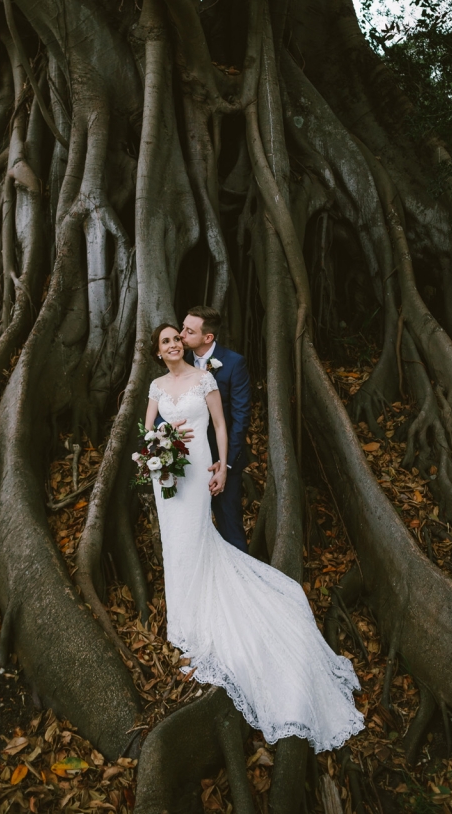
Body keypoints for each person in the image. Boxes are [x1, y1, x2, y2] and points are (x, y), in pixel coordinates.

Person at [142, 323, 364, 753]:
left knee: (195, 538)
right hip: (168, 472)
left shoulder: (204, 378)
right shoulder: (154, 385)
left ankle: (206, 618)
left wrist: (223, 466)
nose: (172, 344)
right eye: (165, 341)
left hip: (200, 466)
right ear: (157, 352)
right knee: (175, 544)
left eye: (176, 338)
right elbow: (147, 432)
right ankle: (183, 621)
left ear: (183, 344)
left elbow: (221, 426)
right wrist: (159, 446)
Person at [179, 306, 250, 552]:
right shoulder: (179, 360)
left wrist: (226, 464)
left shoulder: (232, 363)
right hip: (186, 458)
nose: (181, 335)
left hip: (220, 461)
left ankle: (244, 585)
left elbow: (240, 417)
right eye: (183, 327)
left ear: (207, 337)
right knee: (191, 528)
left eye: (189, 331)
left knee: (230, 525)